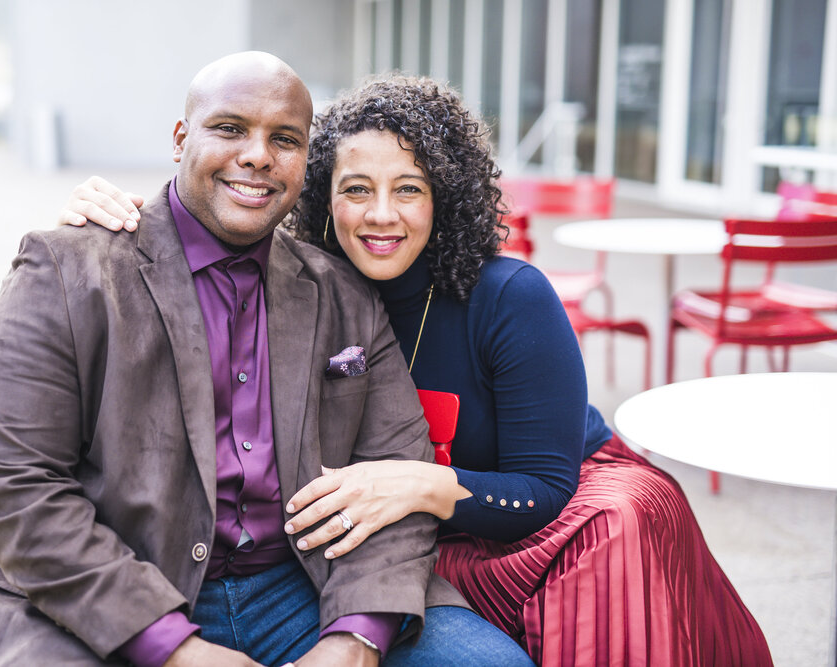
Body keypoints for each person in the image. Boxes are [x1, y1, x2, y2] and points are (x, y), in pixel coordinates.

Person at [64, 75, 774, 666]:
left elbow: (548, 483)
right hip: (416, 533)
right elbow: (219, 199)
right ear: (319, 194)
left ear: (446, 196)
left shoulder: (508, 296)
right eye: (356, 189)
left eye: (409, 189)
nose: (381, 215)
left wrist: (424, 485)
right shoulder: (304, 285)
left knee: (615, 532)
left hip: (553, 514)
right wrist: (127, 219)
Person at [0, 53, 534, 667]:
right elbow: (12, 485)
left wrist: (356, 637)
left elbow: (393, 479)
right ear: (180, 139)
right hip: (105, 584)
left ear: (306, 164)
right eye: (229, 129)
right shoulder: (68, 270)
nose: (257, 155)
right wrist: (173, 648)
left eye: (285, 139)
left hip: (301, 584)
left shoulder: (344, 292)